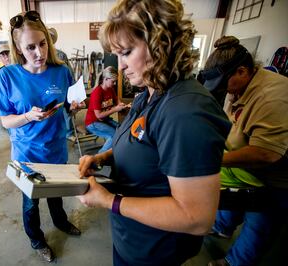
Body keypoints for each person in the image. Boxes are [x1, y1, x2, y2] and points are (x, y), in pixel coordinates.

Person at [77, 0, 231, 265]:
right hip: (132, 238)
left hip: (155, 250)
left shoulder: (185, 112)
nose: (121, 66)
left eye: (126, 52)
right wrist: (104, 158)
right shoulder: (150, 93)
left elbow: (196, 217)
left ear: (161, 44)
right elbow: (143, 145)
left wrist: (110, 201)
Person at [0, 11, 81, 263]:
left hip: (55, 148)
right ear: (19, 49)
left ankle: (62, 222)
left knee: (56, 192)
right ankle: (36, 239)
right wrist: (27, 117)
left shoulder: (61, 71)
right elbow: (5, 119)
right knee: (31, 202)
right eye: (30, 47)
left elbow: (69, 103)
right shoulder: (7, 76)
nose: (38, 52)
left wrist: (73, 106)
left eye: (42, 44)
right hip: (26, 153)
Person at [200, 36, 288, 266]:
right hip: (244, 164)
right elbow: (229, 123)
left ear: (241, 71)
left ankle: (236, 262)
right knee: (235, 198)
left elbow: (266, 153)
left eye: (224, 83)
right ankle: (222, 227)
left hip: (277, 174)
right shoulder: (238, 87)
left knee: (261, 220)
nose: (223, 91)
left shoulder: (273, 97)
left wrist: (216, 160)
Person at [85, 66, 127, 153]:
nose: (114, 83)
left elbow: (116, 100)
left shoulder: (110, 89)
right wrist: (115, 109)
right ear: (106, 79)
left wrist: (120, 104)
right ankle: (99, 158)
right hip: (93, 122)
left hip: (104, 120)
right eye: (113, 81)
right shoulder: (97, 92)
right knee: (114, 135)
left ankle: (116, 151)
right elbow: (98, 115)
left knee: (122, 129)